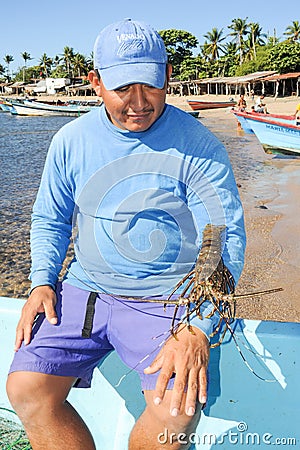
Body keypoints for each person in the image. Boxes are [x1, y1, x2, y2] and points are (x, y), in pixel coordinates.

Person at [6, 19, 246, 450]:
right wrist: (42, 280)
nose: (139, 103)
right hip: (87, 290)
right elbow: (51, 217)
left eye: (151, 86)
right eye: (123, 89)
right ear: (95, 82)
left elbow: (222, 234)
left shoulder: (199, 145)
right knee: (27, 389)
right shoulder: (70, 140)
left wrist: (198, 324)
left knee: (177, 408)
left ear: (168, 76)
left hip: (169, 300)